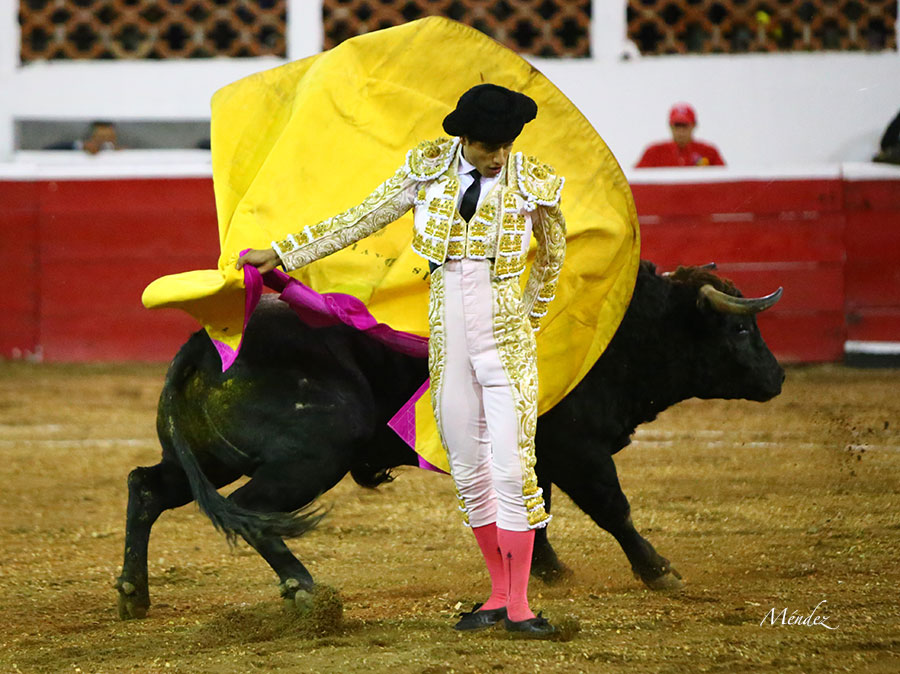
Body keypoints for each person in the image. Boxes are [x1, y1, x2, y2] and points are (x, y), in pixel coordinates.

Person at [237, 83, 565, 638]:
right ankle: (496, 596)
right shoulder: (429, 170)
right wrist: (286, 251)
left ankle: (521, 607)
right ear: (465, 138)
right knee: (468, 467)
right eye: (490, 146)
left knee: (513, 470)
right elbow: (361, 218)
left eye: (507, 145)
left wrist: (528, 317)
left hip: (506, 343)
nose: (500, 156)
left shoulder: (533, 181)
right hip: (449, 342)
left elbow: (554, 253)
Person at [635, 103, 725, 167]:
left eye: (685, 125)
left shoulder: (709, 152)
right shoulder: (653, 153)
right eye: (677, 125)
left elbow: (724, 180)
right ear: (670, 126)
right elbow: (635, 181)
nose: (681, 131)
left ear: (694, 125)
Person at [44, 120, 120, 154]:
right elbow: (46, 151)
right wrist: (82, 146)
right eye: (100, 137)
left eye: (108, 137)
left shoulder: (119, 150)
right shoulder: (78, 146)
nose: (103, 142)